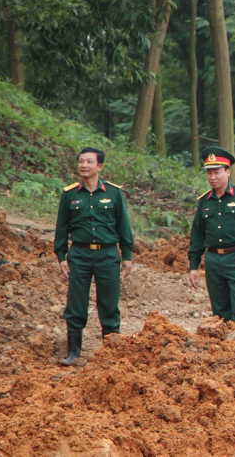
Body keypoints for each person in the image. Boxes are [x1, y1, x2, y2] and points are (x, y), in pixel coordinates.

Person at [54, 147, 134, 366]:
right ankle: (73, 353)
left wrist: (127, 254)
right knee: (76, 302)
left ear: (99, 167)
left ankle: (111, 351)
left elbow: (123, 226)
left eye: (89, 162)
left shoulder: (114, 193)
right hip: (78, 253)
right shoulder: (70, 194)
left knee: (109, 302)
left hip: (108, 254)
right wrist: (62, 256)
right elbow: (61, 228)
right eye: (81, 161)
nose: (84, 165)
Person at [188, 146, 235, 334]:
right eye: (209, 172)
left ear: (228, 172)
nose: (213, 177)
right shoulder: (205, 201)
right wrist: (194, 265)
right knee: (219, 310)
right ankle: (224, 350)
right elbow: (197, 235)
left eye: (217, 172)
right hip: (213, 260)